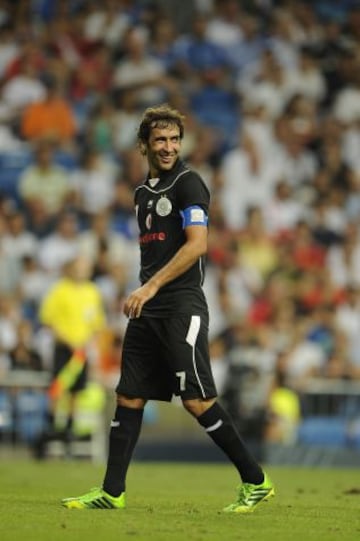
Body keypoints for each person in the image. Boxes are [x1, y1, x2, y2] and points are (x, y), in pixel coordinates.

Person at [61, 104, 275, 512]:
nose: (168, 147)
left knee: (196, 401)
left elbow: (198, 244)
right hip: (149, 308)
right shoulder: (142, 194)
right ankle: (111, 491)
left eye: (174, 139)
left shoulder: (189, 184)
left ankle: (256, 480)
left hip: (180, 306)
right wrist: (146, 289)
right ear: (144, 145)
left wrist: (151, 286)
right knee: (129, 396)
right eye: (160, 139)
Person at [33, 255, 106, 458]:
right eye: (79, 267)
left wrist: (88, 343)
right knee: (58, 387)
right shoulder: (60, 290)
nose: (82, 271)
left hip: (81, 350)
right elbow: (47, 320)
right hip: (64, 348)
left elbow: (97, 323)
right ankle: (50, 427)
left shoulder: (92, 292)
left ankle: (69, 430)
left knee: (76, 389)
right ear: (71, 269)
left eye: (85, 268)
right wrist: (68, 341)